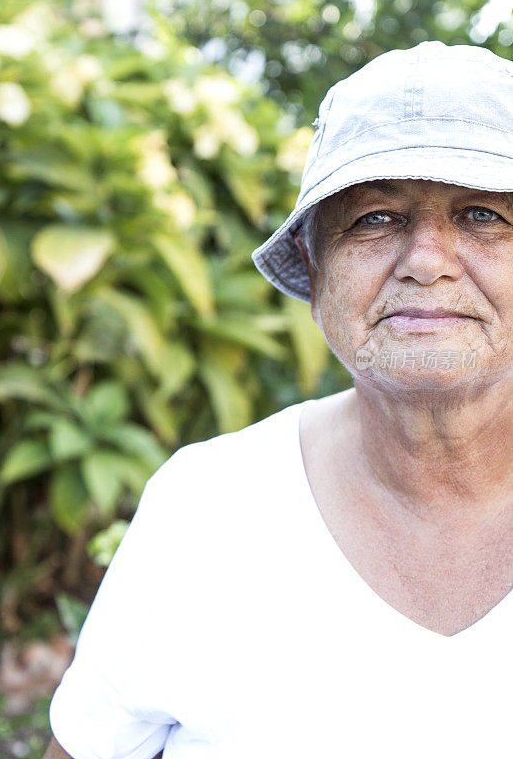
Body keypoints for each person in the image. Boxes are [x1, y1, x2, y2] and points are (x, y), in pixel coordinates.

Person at [43, 41, 513, 759]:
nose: (425, 261)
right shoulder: (206, 505)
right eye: (375, 217)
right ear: (315, 266)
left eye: (481, 214)